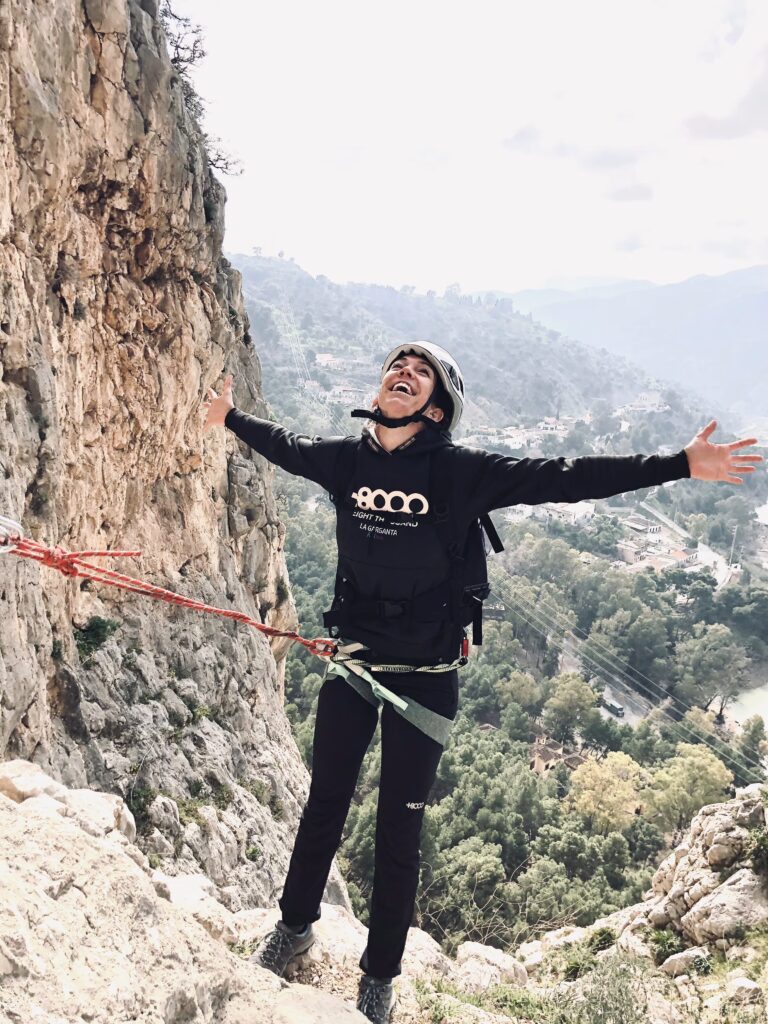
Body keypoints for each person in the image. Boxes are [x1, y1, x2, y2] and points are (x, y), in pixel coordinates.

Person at [203, 343, 762, 1023]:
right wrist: (229, 416)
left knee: (397, 834)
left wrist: (679, 464)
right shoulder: (345, 461)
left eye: (420, 371)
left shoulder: (461, 472)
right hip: (354, 662)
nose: (401, 373)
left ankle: (378, 978)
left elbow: (565, 475)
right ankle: (294, 928)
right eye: (395, 367)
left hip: (428, 679)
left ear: (436, 407)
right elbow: (284, 444)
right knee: (324, 803)